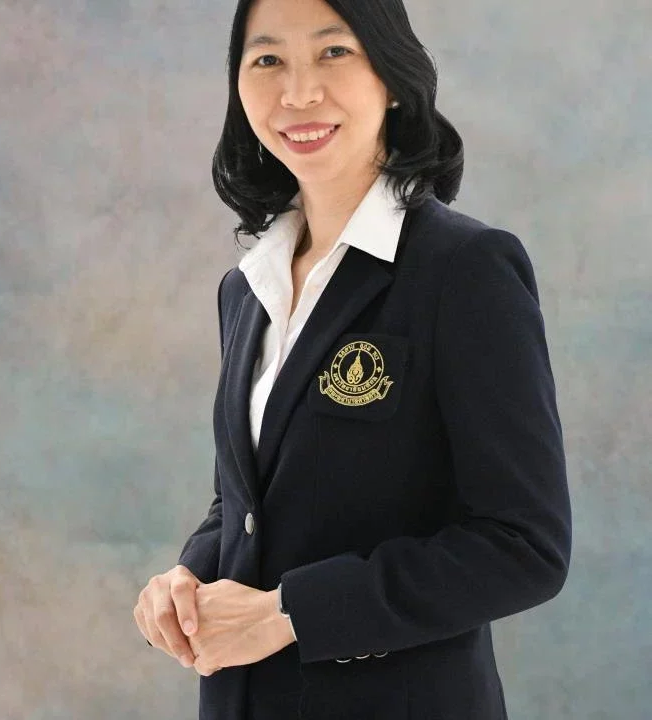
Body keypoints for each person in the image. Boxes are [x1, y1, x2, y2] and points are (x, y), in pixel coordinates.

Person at [133, 0, 572, 717]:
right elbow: (247, 503)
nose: (298, 92)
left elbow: (524, 546)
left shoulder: (463, 269)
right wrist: (186, 579)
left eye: (333, 52)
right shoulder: (245, 288)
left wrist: (291, 612)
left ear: (392, 77)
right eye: (267, 59)